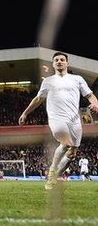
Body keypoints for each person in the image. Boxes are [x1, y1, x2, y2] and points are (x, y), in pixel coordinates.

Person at [19, 52, 98, 190]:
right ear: (53, 64)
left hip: (75, 121)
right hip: (56, 119)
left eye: (62, 59)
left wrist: (95, 104)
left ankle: (55, 176)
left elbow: (90, 95)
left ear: (67, 63)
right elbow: (38, 99)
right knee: (66, 143)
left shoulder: (77, 79)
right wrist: (25, 113)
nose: (59, 61)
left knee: (72, 154)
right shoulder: (48, 81)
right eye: (56, 60)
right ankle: (52, 173)